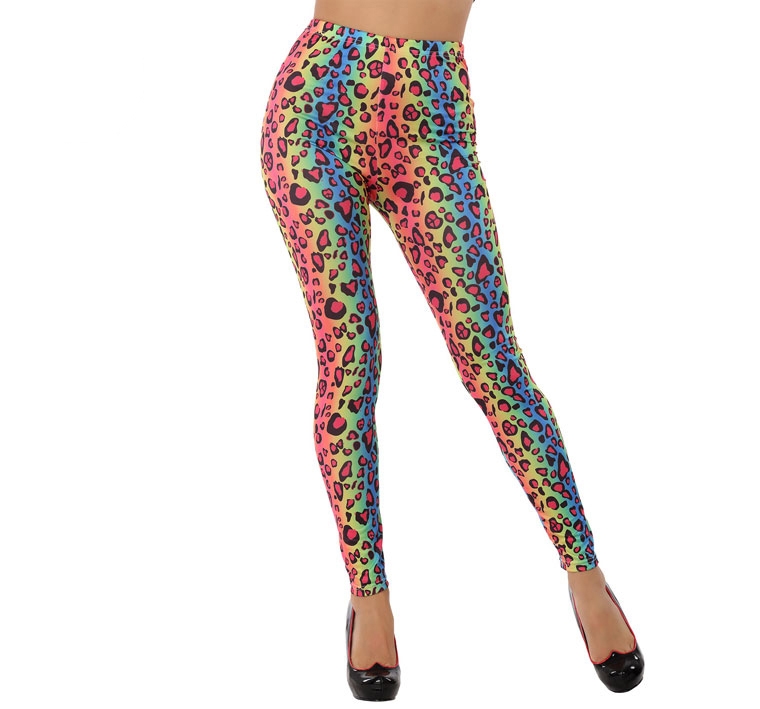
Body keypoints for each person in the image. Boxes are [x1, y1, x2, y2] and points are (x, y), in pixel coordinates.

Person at [259, 0, 644, 699]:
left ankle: (586, 572)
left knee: (493, 362)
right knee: (350, 364)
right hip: (315, 103)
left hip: (431, 113)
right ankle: (369, 596)